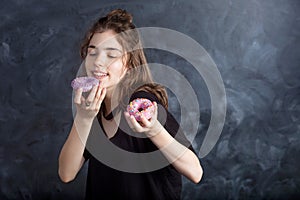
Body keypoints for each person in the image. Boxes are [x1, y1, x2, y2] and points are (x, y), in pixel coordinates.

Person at [58, 9, 203, 200]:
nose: (98, 62)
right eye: (92, 53)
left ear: (128, 63)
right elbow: (66, 174)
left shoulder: (142, 104)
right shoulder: (92, 109)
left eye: (111, 55)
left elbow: (195, 172)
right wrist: (83, 119)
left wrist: (154, 131)